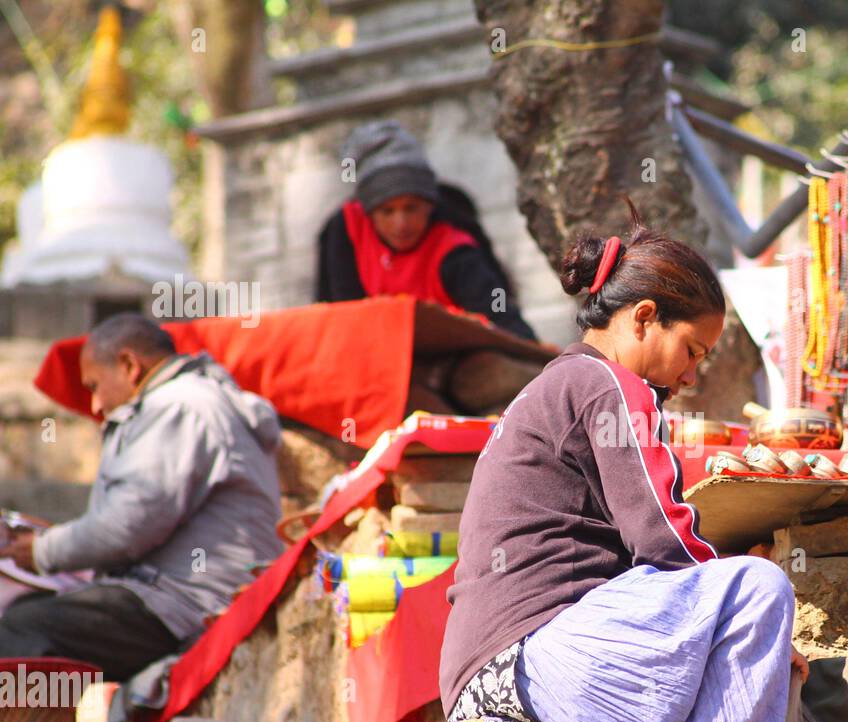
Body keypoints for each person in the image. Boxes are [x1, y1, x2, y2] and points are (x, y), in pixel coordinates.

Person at [439, 202, 804, 722]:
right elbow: (660, 533)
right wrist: (756, 626)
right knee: (757, 589)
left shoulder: (561, 380)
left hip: (490, 667)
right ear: (642, 319)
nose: (692, 373)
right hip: (534, 660)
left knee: (728, 635)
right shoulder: (609, 385)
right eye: (692, 349)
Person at [0, 313, 283, 682]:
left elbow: (129, 525)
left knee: (25, 627)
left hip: (190, 603)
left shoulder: (179, 406)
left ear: (130, 366)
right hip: (172, 596)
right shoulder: (182, 403)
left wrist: (44, 551)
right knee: (28, 612)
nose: (96, 405)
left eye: (95, 385)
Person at [316, 120, 544, 415]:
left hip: (462, 367)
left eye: (411, 208)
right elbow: (339, 321)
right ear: (369, 214)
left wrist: (537, 356)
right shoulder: (343, 236)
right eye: (388, 211)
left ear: (429, 206)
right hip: (386, 373)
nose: (401, 223)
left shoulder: (454, 245)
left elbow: (499, 312)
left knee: (491, 378)